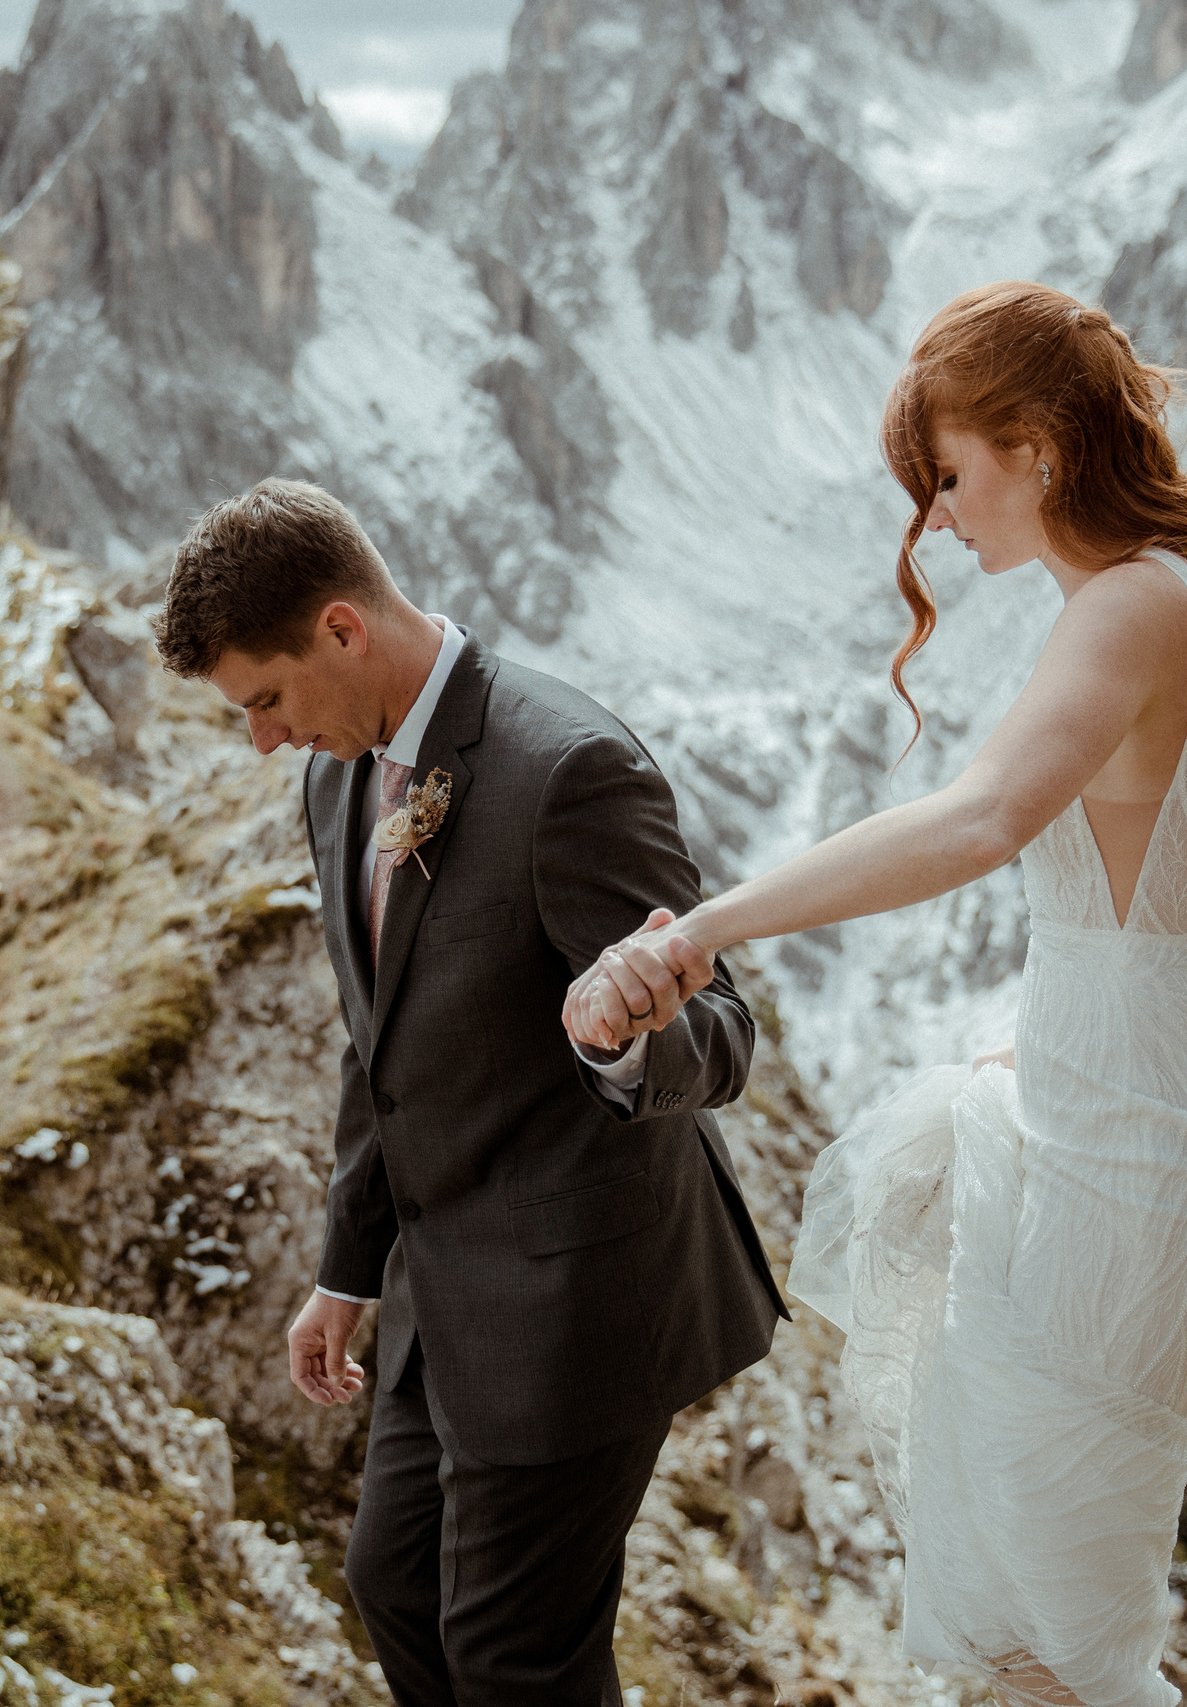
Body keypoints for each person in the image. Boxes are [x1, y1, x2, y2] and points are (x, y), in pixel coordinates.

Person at [566, 281, 1187, 1707]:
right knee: (1056, 1629)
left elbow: (979, 822)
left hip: (1134, 1152)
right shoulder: (1185, 598)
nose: (939, 522)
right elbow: (1153, 914)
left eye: (950, 477)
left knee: (1057, 1649)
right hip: (1162, 1118)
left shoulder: (1133, 606)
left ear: (1038, 444)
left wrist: (707, 925)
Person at [152, 478, 790, 1705]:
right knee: (392, 1589)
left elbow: (722, 1032)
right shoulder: (335, 784)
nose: (264, 739)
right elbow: (377, 1048)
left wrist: (616, 1041)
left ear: (342, 628)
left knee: (515, 1662)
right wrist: (347, 1271)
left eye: (268, 700)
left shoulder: (570, 771)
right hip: (435, 1297)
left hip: (581, 1299)